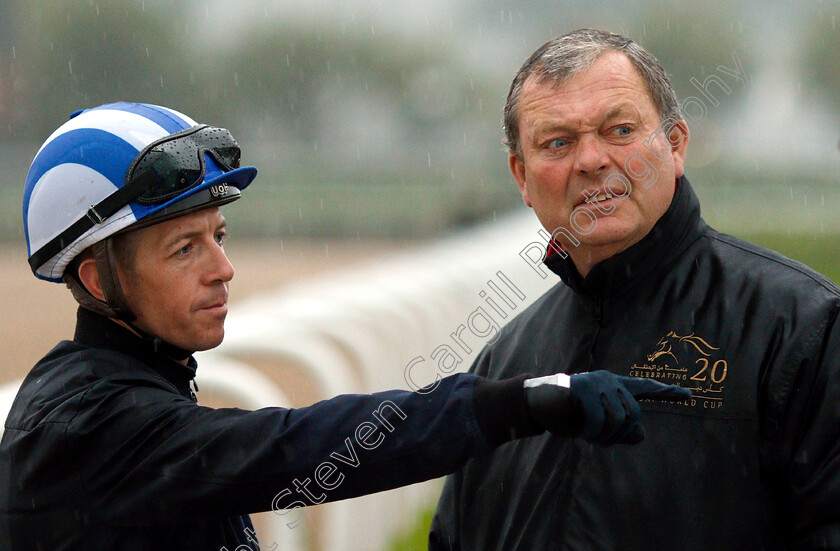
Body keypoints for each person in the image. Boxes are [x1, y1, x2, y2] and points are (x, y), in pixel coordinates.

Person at [0, 102, 687, 550]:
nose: (224, 268)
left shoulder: (120, 388)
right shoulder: (84, 422)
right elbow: (297, 449)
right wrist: (524, 400)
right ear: (97, 280)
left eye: (220, 234)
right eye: (185, 249)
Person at [429, 29, 840, 550]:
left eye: (619, 130)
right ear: (522, 178)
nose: (591, 160)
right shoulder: (506, 361)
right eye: (557, 142)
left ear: (675, 145)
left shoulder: (803, 327)